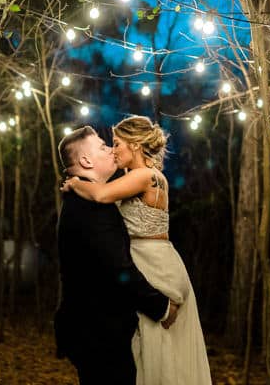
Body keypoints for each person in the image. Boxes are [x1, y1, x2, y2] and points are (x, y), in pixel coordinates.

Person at [62, 116, 212, 385]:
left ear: (134, 145)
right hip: (139, 268)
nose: (113, 149)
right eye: (108, 145)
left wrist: (74, 182)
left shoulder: (147, 176)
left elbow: (100, 194)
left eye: (116, 143)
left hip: (154, 264)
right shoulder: (129, 179)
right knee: (150, 351)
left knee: (160, 351)